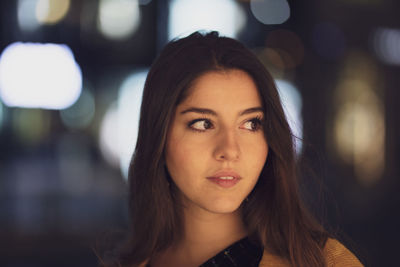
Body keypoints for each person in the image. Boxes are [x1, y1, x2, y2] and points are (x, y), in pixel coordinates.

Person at [101, 31, 363, 267]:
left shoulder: (323, 262)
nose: (230, 150)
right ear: (159, 134)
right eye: (203, 124)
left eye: (251, 124)